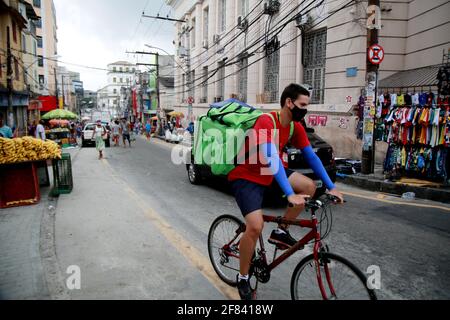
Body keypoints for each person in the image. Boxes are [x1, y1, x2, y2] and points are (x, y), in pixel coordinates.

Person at [229, 84, 344, 300]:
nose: (305, 110)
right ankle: (243, 277)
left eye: (307, 106)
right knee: (254, 226)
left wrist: (331, 186)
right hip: (247, 175)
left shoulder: (295, 127)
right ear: (289, 103)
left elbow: (311, 157)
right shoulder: (266, 121)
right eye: (302, 105)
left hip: (270, 172)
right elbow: (271, 156)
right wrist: (289, 193)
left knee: (310, 186)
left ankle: (280, 231)